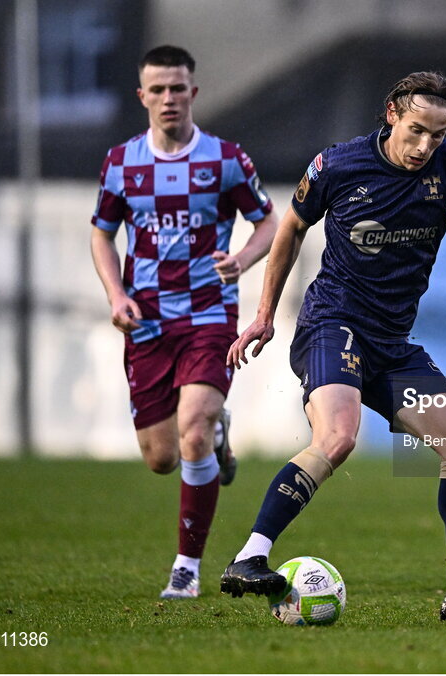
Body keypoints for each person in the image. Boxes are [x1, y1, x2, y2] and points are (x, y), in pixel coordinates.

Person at [218, 71, 446, 625]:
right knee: (339, 437)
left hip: (392, 344)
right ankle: (249, 558)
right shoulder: (337, 165)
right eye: (417, 130)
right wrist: (265, 315)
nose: (425, 147)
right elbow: (291, 227)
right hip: (333, 323)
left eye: (437, 135)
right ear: (392, 113)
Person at [90, 45, 278, 599]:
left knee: (191, 428)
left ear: (193, 92)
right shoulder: (122, 162)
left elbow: (269, 222)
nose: (169, 98)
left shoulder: (224, 159)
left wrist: (241, 260)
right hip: (146, 325)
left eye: (179, 88)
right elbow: (102, 233)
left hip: (209, 317)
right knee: (161, 458)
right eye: (159, 89)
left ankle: (187, 569)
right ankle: (215, 436)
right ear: (142, 96)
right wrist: (116, 294)